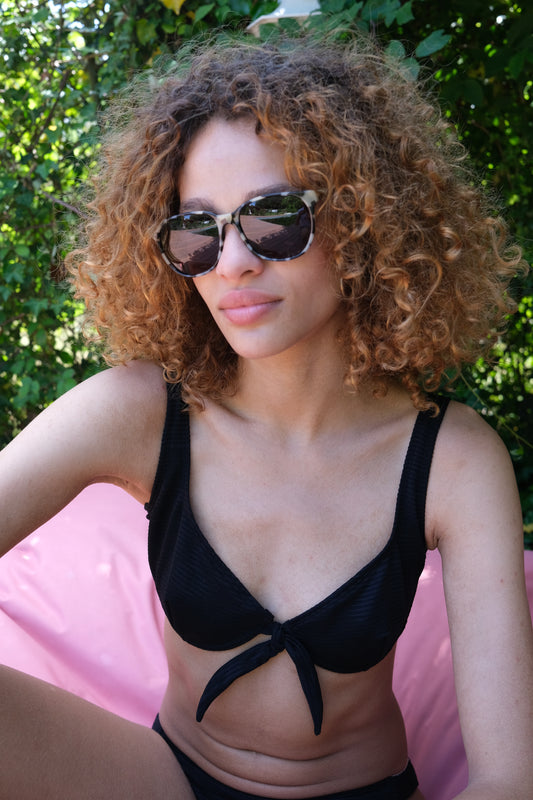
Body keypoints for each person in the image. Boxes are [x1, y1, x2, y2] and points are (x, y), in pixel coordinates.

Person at [1, 30, 532, 800]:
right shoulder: (141, 411)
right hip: (168, 782)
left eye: (273, 218)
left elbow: (508, 778)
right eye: (197, 231)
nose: (233, 262)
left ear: (361, 222)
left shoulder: (452, 458)